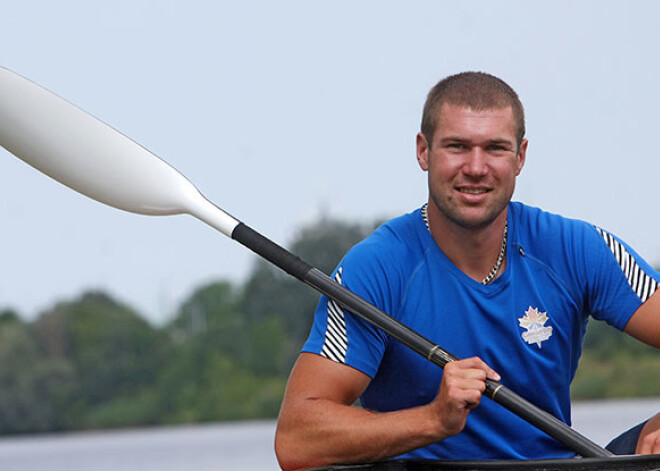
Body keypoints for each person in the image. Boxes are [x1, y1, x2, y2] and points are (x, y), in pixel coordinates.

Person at [274, 72, 660, 471]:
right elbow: (296, 440)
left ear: (520, 157)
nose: (476, 168)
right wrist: (432, 420)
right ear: (423, 151)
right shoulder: (374, 269)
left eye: (495, 148)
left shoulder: (578, 248)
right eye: (457, 147)